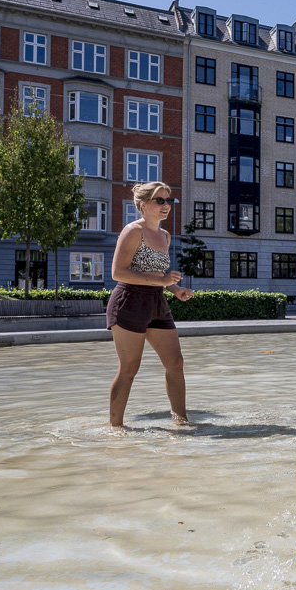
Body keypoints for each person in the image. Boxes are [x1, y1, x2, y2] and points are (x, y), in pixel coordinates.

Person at [106, 182, 194, 428]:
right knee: (129, 369)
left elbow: (157, 274)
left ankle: (181, 422)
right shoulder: (133, 231)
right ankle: (116, 429)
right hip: (129, 301)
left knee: (176, 362)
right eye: (160, 200)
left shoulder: (165, 235)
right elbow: (118, 273)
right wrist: (163, 280)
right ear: (143, 205)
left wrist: (174, 289)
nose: (166, 205)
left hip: (157, 302)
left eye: (169, 200)